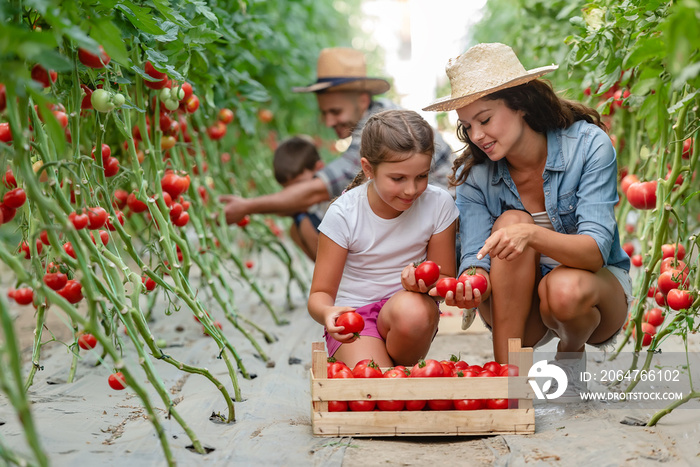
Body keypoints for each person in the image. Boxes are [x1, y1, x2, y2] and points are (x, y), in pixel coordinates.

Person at [423, 43, 632, 399]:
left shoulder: (588, 146)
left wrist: (530, 235)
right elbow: (476, 256)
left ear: (520, 104)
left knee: (561, 288)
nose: (476, 136)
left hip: (593, 298)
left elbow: (596, 251)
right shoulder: (477, 178)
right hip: (516, 304)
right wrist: (468, 283)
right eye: (467, 126)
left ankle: (570, 352)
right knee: (509, 222)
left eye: (485, 120)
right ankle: (511, 382)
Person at [219, 48, 453, 261]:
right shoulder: (378, 116)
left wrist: (247, 206)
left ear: (362, 99)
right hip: (420, 219)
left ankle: (352, 297)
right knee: (303, 223)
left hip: (447, 228)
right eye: (325, 113)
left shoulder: (383, 129)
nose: (329, 121)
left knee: (312, 222)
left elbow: (317, 190)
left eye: (335, 111)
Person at [307, 109, 459, 368]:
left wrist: (421, 286)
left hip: (406, 315)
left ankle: (400, 369)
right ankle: (391, 371)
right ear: (368, 168)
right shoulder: (344, 214)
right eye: (398, 178)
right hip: (354, 317)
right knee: (376, 387)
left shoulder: (438, 204)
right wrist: (328, 313)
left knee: (413, 313)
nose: (411, 190)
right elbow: (319, 294)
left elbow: (445, 279)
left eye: (421, 176)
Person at [272, 135, 327, 261]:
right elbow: (281, 211)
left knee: (303, 222)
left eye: (299, 186)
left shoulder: (333, 190)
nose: (296, 194)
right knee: (294, 228)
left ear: (319, 168)